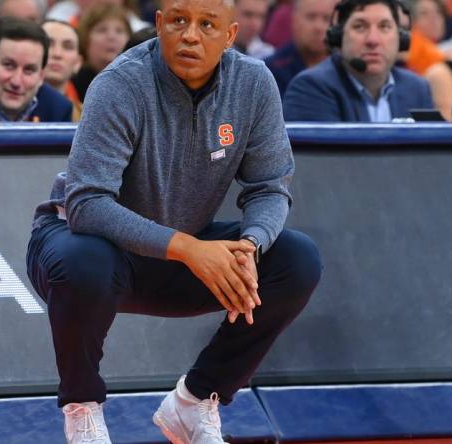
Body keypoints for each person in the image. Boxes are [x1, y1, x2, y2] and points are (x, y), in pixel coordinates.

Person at [26, 0, 322, 441]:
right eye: (179, 20)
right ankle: (83, 410)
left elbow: (269, 187)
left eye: (207, 24)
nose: (190, 35)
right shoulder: (120, 83)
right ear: (160, 24)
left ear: (230, 34)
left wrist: (250, 246)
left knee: (297, 259)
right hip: (86, 245)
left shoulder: (254, 83)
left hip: (179, 253)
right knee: (84, 259)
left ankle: (195, 400)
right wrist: (189, 248)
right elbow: (88, 203)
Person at [282, 0, 433, 121]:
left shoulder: (417, 89)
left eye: (384, 27)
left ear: (401, 39)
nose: (373, 40)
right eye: (360, 27)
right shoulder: (312, 87)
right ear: (339, 38)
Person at [264, 0, 338, 96]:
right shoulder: (270, 71)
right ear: (294, 20)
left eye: (327, 19)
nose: (318, 27)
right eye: (311, 17)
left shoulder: (348, 71)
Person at [72, 3, 131, 101]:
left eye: (119, 31)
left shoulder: (135, 82)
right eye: (102, 30)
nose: (111, 37)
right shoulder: (73, 84)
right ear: (85, 38)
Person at [42, 19, 83, 119]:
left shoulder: (87, 117)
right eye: (48, 44)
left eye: (68, 46)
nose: (57, 54)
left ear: (78, 63)